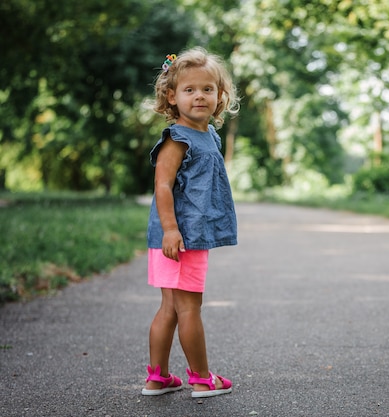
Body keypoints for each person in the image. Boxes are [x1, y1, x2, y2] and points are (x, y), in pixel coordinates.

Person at [141, 47, 240, 398]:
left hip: (184, 236)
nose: (199, 96)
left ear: (220, 96)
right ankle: (202, 378)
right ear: (172, 96)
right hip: (181, 237)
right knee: (188, 307)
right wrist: (170, 229)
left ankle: (158, 377)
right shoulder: (177, 138)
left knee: (170, 306)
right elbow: (162, 186)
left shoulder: (208, 134)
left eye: (207, 89)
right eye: (189, 90)